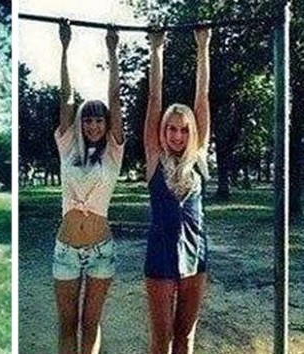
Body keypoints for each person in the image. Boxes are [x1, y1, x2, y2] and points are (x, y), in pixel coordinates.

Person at [54, 20, 124, 354]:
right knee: (67, 326)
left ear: (106, 124)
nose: (94, 124)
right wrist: (65, 46)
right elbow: (66, 97)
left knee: (90, 325)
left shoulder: (113, 153)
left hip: (101, 252)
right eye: (89, 119)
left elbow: (114, 96)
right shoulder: (68, 147)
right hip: (66, 250)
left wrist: (112, 50)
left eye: (99, 120)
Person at [143, 28, 211, 354]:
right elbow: (154, 99)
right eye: (172, 128)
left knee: (185, 336)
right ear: (163, 130)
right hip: (160, 256)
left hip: (196, 256)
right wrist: (157, 49)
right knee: (162, 340)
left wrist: (203, 46)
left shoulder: (197, 159)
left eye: (184, 129)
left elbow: (202, 98)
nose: (178, 135)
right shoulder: (155, 159)